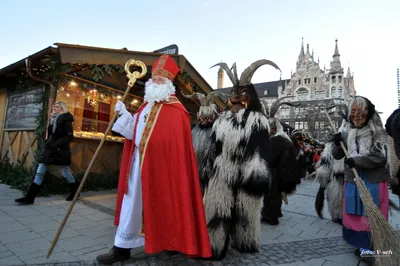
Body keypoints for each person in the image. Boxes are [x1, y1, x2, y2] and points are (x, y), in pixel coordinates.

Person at [96, 54, 212, 265]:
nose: (156, 82)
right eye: (154, 78)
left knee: (166, 203)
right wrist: (124, 115)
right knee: (131, 205)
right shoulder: (144, 107)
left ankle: (171, 242)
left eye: (161, 79)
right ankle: (121, 248)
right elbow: (135, 135)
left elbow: (175, 147)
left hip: (163, 170)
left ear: (169, 84)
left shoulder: (177, 112)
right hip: (138, 164)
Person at [201, 59, 276, 260]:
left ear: (249, 98)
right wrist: (207, 171)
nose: (235, 100)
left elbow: (261, 151)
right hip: (221, 173)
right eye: (233, 97)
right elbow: (213, 149)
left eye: (241, 96)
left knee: (246, 213)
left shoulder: (258, 121)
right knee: (218, 210)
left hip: (246, 173)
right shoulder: (221, 121)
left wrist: (256, 178)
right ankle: (216, 247)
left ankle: (246, 242)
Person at [332, 96, 390, 263]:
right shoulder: (347, 132)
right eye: (353, 111)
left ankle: (375, 247)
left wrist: (356, 161)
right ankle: (362, 245)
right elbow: (337, 155)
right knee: (355, 214)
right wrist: (337, 143)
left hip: (372, 181)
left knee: (371, 215)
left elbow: (380, 157)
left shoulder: (377, 132)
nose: (356, 115)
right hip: (353, 181)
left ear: (368, 112)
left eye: (360, 111)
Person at [15, 101, 78, 204]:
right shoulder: (53, 118)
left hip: (60, 149)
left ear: (62, 108)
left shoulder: (65, 119)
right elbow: (51, 134)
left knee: (65, 172)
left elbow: (70, 136)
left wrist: (56, 144)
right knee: (40, 171)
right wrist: (47, 141)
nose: (54, 108)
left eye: (57, 106)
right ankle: (30, 198)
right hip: (50, 148)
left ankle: (75, 192)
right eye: (54, 106)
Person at [261, 117, 298, 225]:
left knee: (272, 195)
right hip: (273, 172)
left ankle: (271, 217)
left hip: (275, 172)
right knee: (271, 195)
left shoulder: (279, 140)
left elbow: (276, 158)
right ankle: (271, 214)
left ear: (274, 129)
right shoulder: (282, 139)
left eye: (270, 129)